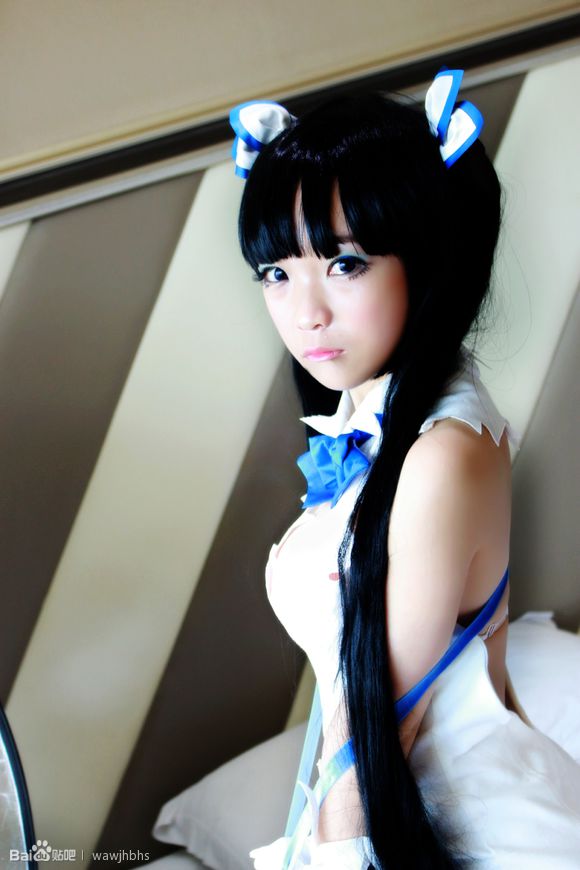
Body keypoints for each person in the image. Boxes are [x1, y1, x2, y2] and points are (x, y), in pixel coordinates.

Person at [229, 70, 580, 870]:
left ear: (424, 260)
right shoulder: (384, 427)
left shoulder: (442, 452)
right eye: (277, 272)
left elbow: (379, 724)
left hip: (473, 832)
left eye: (345, 264)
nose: (306, 312)